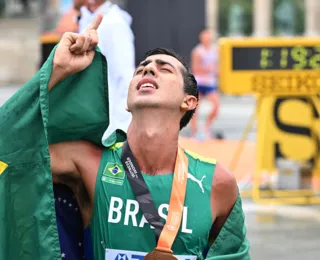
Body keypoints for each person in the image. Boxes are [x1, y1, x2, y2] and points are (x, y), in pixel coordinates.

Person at [45, 14, 250, 259]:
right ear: (127, 102)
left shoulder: (217, 182)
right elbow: (12, 152)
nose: (149, 68)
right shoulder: (88, 163)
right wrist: (56, 71)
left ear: (189, 101)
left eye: (164, 69)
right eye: (141, 69)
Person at [190, 29, 220, 140]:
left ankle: (206, 127)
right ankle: (194, 132)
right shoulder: (198, 51)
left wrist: (217, 71)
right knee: (195, 108)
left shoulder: (215, 50)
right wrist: (209, 69)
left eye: (209, 37)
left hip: (210, 83)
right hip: (200, 83)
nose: (208, 39)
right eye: (206, 37)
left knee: (216, 106)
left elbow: (217, 67)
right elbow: (195, 69)